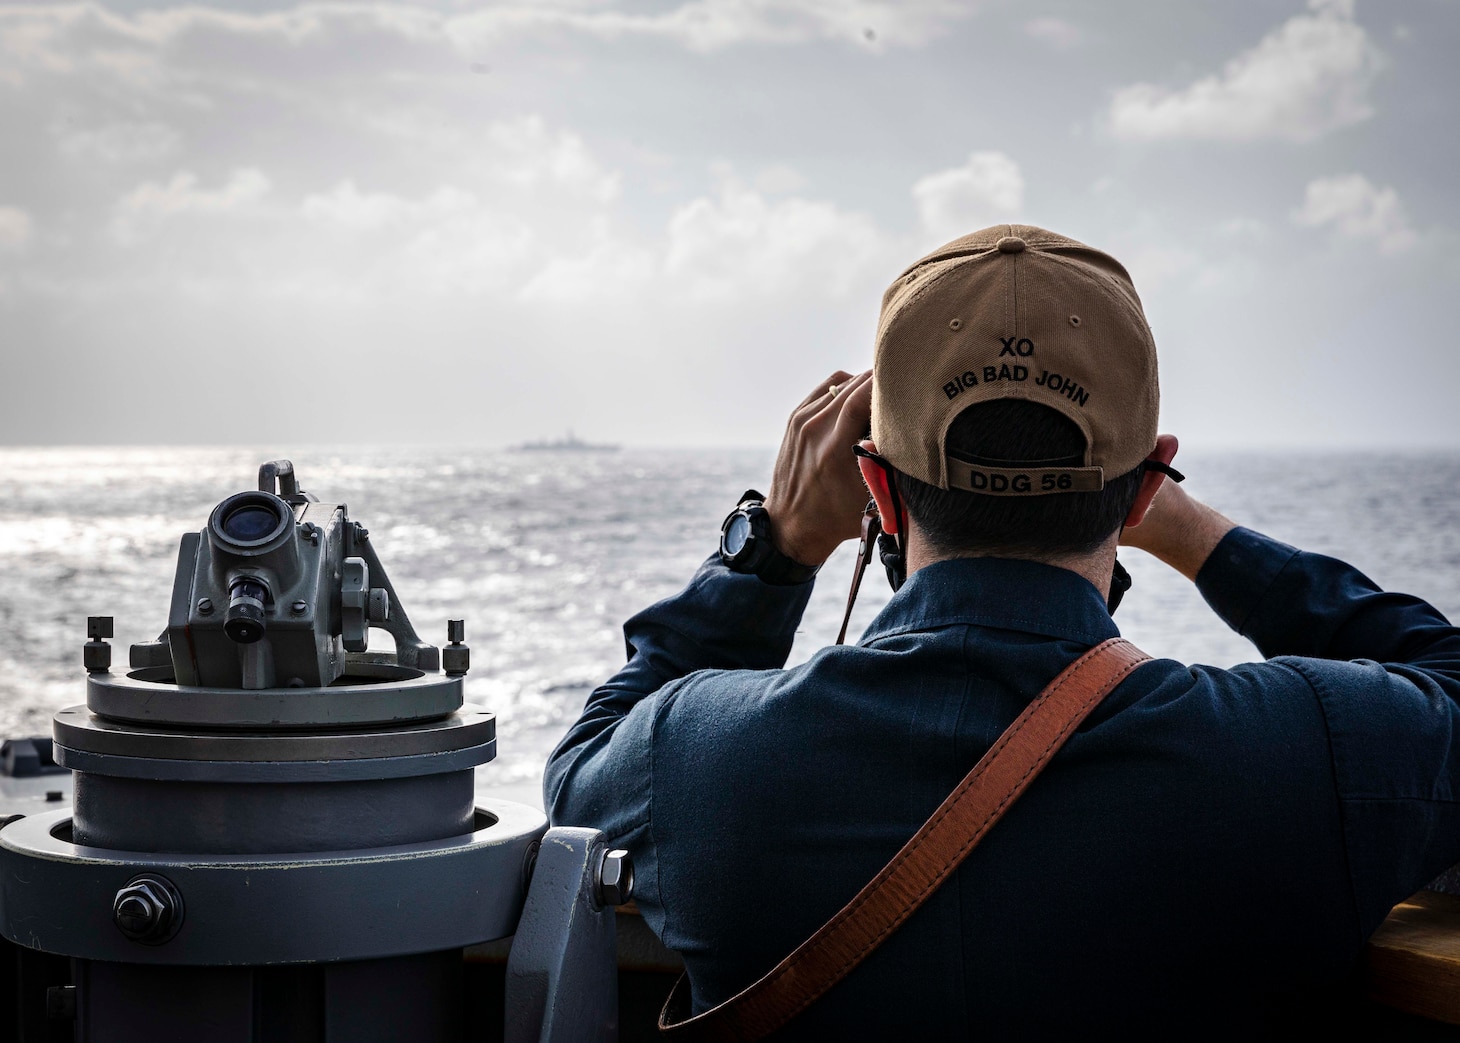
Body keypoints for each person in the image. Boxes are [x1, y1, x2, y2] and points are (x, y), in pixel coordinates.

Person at [543, 225, 1460, 1037]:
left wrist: (773, 551)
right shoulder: (1303, 761)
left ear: (876, 487)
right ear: (1148, 485)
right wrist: (1200, 535)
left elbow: (579, 775)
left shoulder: (701, 762)